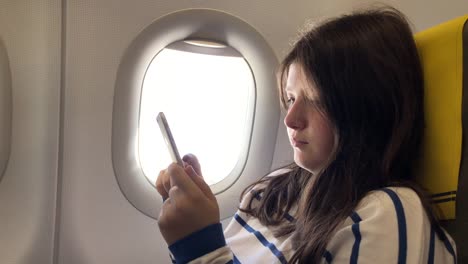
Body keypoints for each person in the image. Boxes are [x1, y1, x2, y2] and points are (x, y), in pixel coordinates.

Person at [155, 6, 457, 263]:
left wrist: (196, 245)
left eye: (317, 100)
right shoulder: (271, 192)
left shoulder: (387, 214)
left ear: (367, 109)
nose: (290, 119)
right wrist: (193, 225)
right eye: (290, 98)